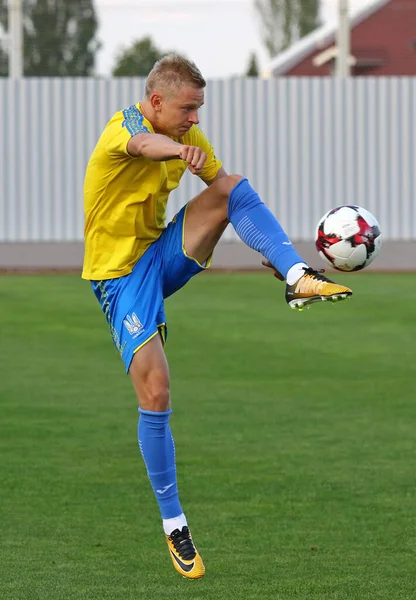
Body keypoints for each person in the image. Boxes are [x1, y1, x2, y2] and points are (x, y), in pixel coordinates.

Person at [82, 55, 352, 580]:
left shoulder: (186, 138)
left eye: (199, 109)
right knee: (156, 392)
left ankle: (297, 275)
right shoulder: (127, 128)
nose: (196, 120)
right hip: (118, 279)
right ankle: (174, 523)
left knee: (230, 188)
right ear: (157, 102)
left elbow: (230, 192)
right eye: (188, 109)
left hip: (158, 254)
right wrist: (176, 150)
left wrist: (277, 256)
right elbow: (143, 145)